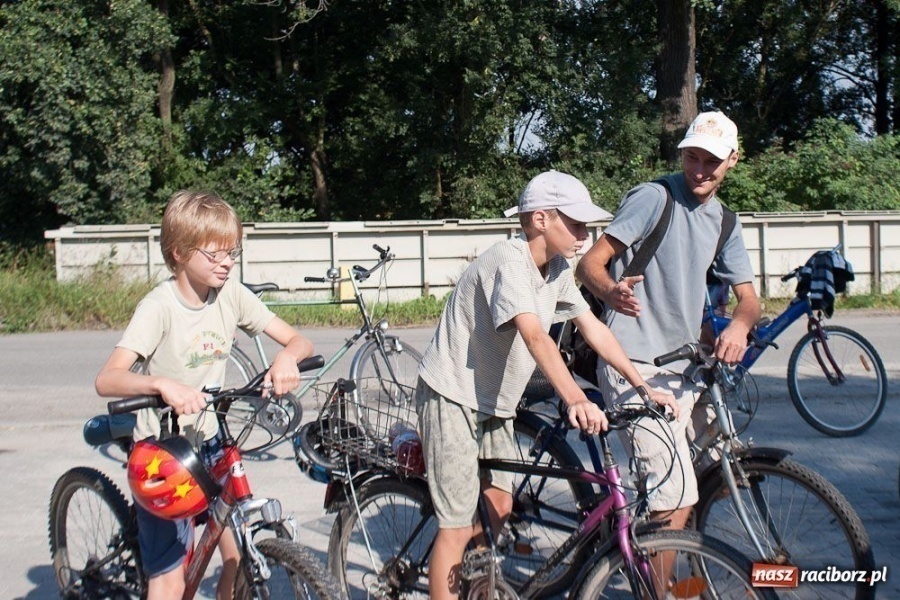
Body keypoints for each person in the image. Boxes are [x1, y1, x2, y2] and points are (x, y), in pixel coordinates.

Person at [415, 170, 678, 599]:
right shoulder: (508, 259)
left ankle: (473, 584)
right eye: (575, 224)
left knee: (500, 505)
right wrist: (575, 398)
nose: (585, 234)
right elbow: (534, 335)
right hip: (451, 394)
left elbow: (593, 328)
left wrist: (643, 387)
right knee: (457, 525)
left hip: (493, 401)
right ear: (541, 220)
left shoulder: (558, 268)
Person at [94, 190, 315, 600]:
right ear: (178, 252)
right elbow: (108, 379)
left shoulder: (230, 293)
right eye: (214, 254)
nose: (227, 262)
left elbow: (299, 340)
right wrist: (161, 385)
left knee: (233, 554)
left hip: (210, 439)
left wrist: (286, 359)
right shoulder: (158, 307)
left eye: (232, 251)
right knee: (170, 580)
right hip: (163, 452)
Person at [575, 110, 761, 534]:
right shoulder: (654, 198)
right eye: (691, 157)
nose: (698, 170)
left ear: (732, 160)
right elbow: (589, 264)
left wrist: (738, 326)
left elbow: (749, 301)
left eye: (710, 161)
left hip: (686, 369)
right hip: (631, 361)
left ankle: (672, 558)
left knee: (719, 476)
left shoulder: (726, 223)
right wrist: (610, 291)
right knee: (673, 498)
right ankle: (661, 583)